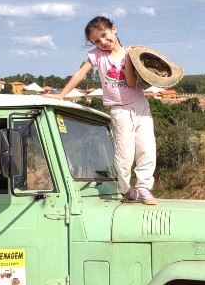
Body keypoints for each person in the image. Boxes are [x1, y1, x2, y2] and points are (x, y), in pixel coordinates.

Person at [58, 16, 156, 205]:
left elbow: (130, 82)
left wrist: (129, 60)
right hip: (119, 110)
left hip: (140, 106)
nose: (102, 42)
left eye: (104, 35)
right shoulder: (96, 55)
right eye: (97, 40)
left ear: (114, 29)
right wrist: (62, 94)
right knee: (124, 154)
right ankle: (126, 189)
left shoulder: (131, 53)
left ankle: (144, 188)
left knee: (146, 147)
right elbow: (80, 73)